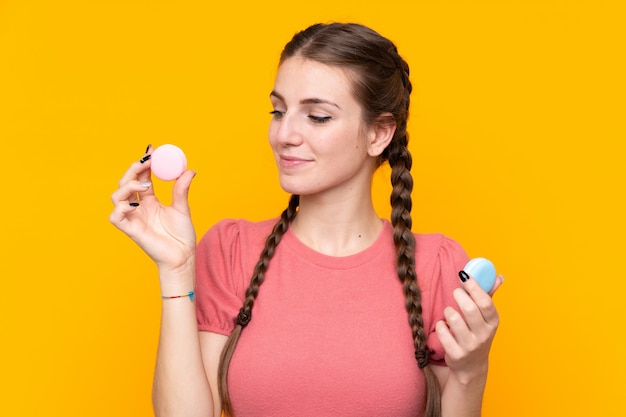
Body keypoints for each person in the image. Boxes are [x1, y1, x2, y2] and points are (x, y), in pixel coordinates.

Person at [110, 22, 502, 417]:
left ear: (379, 134)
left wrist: (471, 371)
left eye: (316, 116)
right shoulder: (231, 250)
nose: (284, 134)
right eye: (278, 111)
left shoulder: (436, 266)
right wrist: (176, 271)